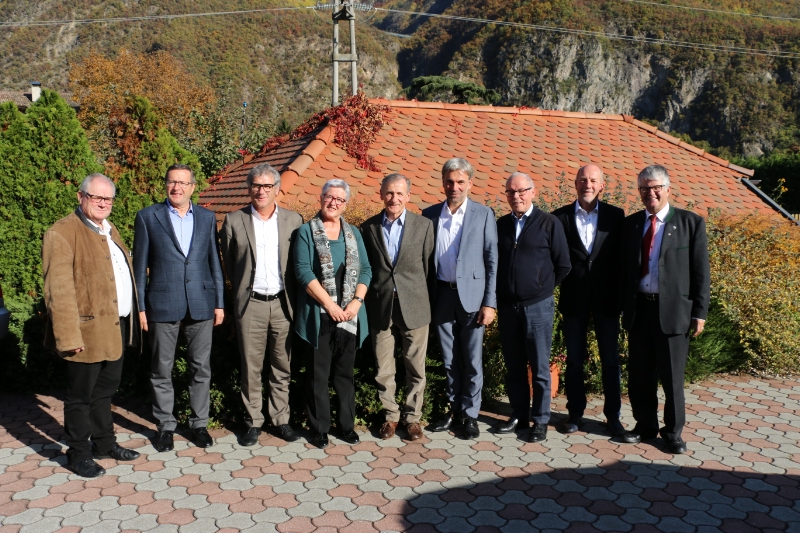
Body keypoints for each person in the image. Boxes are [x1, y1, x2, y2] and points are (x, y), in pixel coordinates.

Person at [42, 173, 142, 478]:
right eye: (96, 197)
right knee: (80, 397)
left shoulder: (110, 229)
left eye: (108, 198)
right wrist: (68, 336)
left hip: (115, 327)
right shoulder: (62, 232)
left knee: (104, 392)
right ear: (80, 197)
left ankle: (104, 443)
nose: (103, 203)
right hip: (84, 332)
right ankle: (78, 453)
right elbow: (58, 291)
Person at [133, 164, 225, 452]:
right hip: (161, 303)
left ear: (192, 187)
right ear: (165, 185)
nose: (177, 187)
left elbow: (215, 263)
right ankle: (165, 427)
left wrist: (220, 303)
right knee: (161, 369)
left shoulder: (207, 218)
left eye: (183, 183)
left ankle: (199, 424)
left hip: (201, 301)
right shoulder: (148, 217)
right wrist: (140, 306)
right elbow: (139, 266)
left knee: (201, 368)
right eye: (172, 182)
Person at [619, 165, 710, 454]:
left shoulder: (690, 223)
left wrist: (700, 312)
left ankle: (673, 433)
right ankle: (645, 426)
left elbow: (701, 272)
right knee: (640, 375)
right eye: (645, 188)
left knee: (672, 378)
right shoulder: (631, 225)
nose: (651, 193)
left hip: (673, 312)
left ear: (668, 189)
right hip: (639, 311)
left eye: (656, 187)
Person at [220, 163, 303, 446]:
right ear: (249, 188)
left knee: (282, 366)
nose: (261, 191)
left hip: (283, 304)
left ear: (277, 188)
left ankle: (280, 420)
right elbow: (231, 264)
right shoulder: (234, 220)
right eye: (256, 185)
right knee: (251, 368)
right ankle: (253, 422)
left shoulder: (294, 220)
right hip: (250, 305)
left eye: (267, 185)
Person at [422, 158, 498, 439]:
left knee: (472, 359)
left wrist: (489, 303)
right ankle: (454, 410)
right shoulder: (429, 214)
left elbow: (492, 260)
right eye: (450, 181)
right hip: (441, 294)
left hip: (473, 298)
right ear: (443, 183)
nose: (454, 187)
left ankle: (470, 414)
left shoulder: (483, 214)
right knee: (448, 358)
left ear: (470, 183)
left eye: (460, 182)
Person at [293, 179, 372, 449]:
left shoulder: (354, 233)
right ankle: (320, 429)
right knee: (318, 375)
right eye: (329, 197)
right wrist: (329, 305)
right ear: (321, 198)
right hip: (320, 315)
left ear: (345, 204)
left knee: (345, 374)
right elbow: (303, 271)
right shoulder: (306, 231)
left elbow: (366, 270)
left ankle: (347, 426)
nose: (333, 203)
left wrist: (356, 303)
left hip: (349, 315)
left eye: (339, 199)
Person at [494, 172, 571, 443]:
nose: (516, 196)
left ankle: (540, 420)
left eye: (521, 191)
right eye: (511, 192)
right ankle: (519, 415)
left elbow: (563, 264)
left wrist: (540, 288)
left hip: (538, 306)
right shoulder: (501, 225)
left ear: (533, 192)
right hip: (508, 307)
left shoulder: (549, 223)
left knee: (539, 367)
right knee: (514, 365)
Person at [552, 164, 626, 436]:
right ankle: (575, 414)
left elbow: (621, 260)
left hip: (607, 299)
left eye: (593, 180)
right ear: (575, 183)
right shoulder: (559, 217)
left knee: (610, 361)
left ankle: (613, 416)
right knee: (574, 361)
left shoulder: (616, 216)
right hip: (574, 298)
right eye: (583, 180)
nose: (588, 185)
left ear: (602, 185)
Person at [361, 174, 435, 441]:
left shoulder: (424, 226)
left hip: (414, 304)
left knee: (415, 367)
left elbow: (428, 268)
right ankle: (390, 417)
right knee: (383, 367)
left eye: (399, 193)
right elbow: (367, 268)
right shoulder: (368, 227)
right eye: (389, 193)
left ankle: (413, 419)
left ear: (408, 196)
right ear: (381, 194)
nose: (394, 198)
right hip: (380, 305)